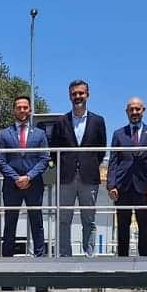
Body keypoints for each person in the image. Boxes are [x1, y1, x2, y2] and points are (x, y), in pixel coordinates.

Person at [45, 79, 107, 255]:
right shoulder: (61, 121)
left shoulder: (98, 121)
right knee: (64, 220)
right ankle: (65, 256)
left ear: (87, 95)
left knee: (89, 220)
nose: (77, 96)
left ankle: (89, 256)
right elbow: (53, 150)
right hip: (66, 178)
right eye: (74, 94)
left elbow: (101, 149)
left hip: (89, 177)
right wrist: (65, 166)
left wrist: (88, 164)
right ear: (69, 96)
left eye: (81, 93)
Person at [108, 96, 147, 256]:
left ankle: (145, 263)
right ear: (126, 112)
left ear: (143, 110)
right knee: (122, 228)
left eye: (137, 109)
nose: (134, 112)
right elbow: (113, 161)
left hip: (144, 188)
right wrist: (111, 185)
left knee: (144, 228)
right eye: (131, 109)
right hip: (122, 188)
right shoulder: (118, 134)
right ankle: (122, 262)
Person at [0, 95, 49, 257]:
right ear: (14, 110)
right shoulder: (4, 134)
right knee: (10, 223)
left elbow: (44, 159)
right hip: (12, 185)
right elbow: (0, 160)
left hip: (34, 184)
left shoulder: (40, 134)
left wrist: (29, 177)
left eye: (25, 107)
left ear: (30, 110)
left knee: (37, 222)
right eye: (19, 107)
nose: (22, 110)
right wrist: (16, 178)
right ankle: (7, 259)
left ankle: (40, 258)